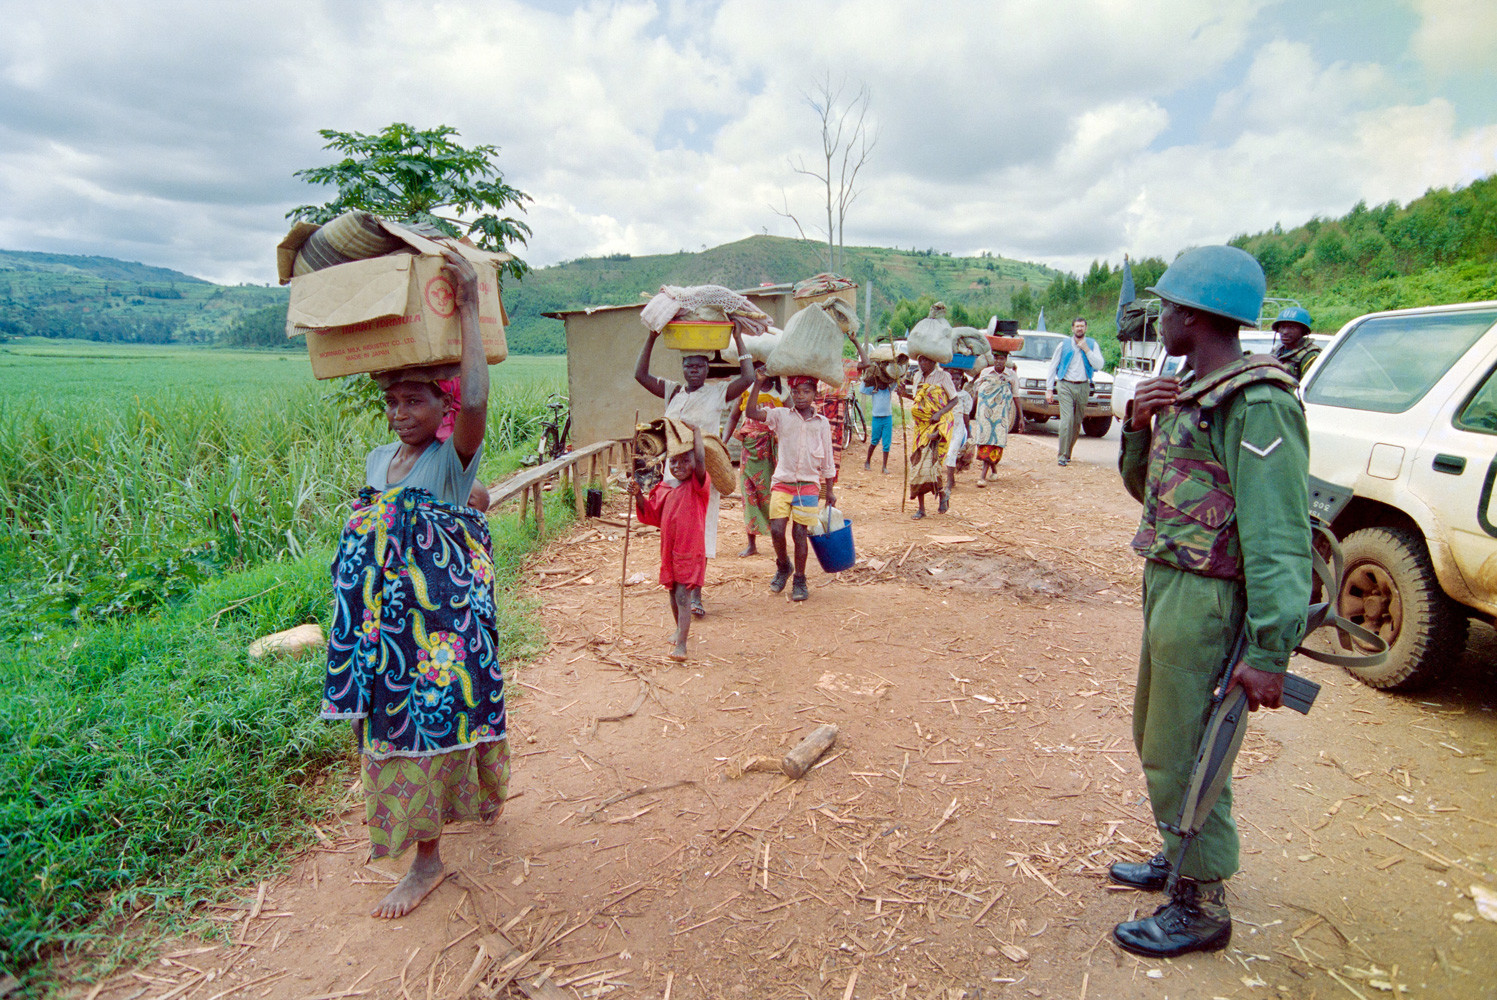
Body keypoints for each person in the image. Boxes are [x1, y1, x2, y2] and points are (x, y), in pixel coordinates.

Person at [1112, 245, 1311, 958]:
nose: (1158, 319)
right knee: (1158, 733)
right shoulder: (1191, 387)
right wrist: (1138, 427)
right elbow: (1157, 498)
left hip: (1210, 599)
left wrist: (1268, 650)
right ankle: (1180, 850)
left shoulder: (1256, 400)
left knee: (1189, 745)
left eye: (1166, 308)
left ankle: (1200, 905)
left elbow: (1278, 534)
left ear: (1194, 316)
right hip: (1171, 581)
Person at [322, 250, 507, 920]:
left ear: (444, 407)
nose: (400, 412)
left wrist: (462, 307)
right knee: (387, 727)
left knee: (424, 727)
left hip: (434, 632)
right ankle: (438, 829)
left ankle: (426, 862)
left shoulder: (451, 457)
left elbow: (479, 398)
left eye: (415, 399)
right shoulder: (380, 459)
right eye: (391, 401)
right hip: (379, 628)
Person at [634, 326, 755, 616]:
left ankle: (696, 594)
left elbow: (749, 377)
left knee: (700, 534)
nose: (695, 371)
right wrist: (651, 337)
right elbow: (640, 375)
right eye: (689, 366)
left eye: (700, 367)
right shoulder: (673, 391)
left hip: (701, 477)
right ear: (683, 368)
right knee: (673, 532)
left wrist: (738, 337)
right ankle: (677, 587)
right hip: (673, 475)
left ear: (706, 369)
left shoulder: (717, 394)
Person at [744, 374, 836, 602]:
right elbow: (751, 413)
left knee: (799, 534)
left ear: (815, 395)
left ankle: (800, 579)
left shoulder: (821, 423)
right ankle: (784, 564)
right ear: (790, 394)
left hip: (808, 485)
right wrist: (758, 381)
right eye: (796, 392)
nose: (801, 396)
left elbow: (828, 459)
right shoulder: (781, 416)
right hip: (782, 483)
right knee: (776, 529)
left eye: (806, 392)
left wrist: (830, 490)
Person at [630, 423, 708, 660]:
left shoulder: (698, 485)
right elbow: (652, 514)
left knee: (683, 594)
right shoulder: (664, 487)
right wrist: (639, 495)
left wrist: (696, 435)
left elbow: (702, 463)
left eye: (686, 461)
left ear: (694, 463)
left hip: (690, 548)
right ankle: (678, 629)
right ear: (667, 464)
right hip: (669, 549)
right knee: (673, 591)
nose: (679, 466)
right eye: (674, 461)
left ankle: (682, 644)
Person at [724, 363, 783, 557]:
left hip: (771, 453)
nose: (761, 373)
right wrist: (722, 443)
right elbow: (733, 417)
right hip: (748, 453)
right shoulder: (746, 392)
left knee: (770, 497)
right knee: (748, 495)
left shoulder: (781, 393)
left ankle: (777, 540)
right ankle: (752, 543)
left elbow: (793, 419)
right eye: (758, 370)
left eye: (765, 369)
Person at [897, 354, 959, 519]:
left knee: (932, 464)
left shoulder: (943, 376)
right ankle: (922, 508)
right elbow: (919, 400)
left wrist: (939, 413)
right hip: (921, 427)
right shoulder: (917, 376)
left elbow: (954, 400)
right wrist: (904, 394)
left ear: (933, 361)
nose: (922, 363)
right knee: (918, 465)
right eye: (920, 360)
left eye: (926, 360)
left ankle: (941, 493)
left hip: (938, 425)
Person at [1045, 317, 1104, 466]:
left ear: (1086, 328)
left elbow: (1099, 364)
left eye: (1082, 326)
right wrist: (1049, 389)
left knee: (1077, 422)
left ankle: (1068, 452)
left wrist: (1087, 350)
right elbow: (1053, 366)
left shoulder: (1091, 344)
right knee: (1067, 420)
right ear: (1072, 329)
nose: (1079, 329)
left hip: (1083, 386)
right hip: (1065, 385)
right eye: (1077, 326)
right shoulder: (1063, 345)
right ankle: (1062, 456)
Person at [970, 353, 1025, 486]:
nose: (998, 361)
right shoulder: (985, 372)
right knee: (985, 439)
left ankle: (982, 476)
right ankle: (992, 470)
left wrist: (1021, 417)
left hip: (1001, 413)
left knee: (995, 440)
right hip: (985, 412)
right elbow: (977, 392)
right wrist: (970, 410)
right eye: (996, 358)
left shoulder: (1011, 375)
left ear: (1006, 360)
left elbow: (1016, 396)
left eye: (1001, 358)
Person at [943, 368, 973, 495]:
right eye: (952, 379)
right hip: (946, 426)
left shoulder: (965, 396)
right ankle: (952, 479)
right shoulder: (944, 394)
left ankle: (949, 482)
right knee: (946, 453)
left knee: (951, 453)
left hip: (959, 427)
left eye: (957, 379)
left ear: (962, 380)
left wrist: (968, 432)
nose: (955, 382)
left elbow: (966, 415)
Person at [859, 368, 895, 473]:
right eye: (880, 381)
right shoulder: (874, 389)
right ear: (876, 381)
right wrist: (865, 377)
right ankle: (867, 461)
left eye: (884, 382)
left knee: (886, 443)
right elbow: (862, 389)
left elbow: (897, 381)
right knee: (874, 441)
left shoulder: (889, 388)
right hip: (877, 419)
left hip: (887, 418)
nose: (882, 384)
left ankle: (884, 466)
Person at [1270, 306, 1320, 380]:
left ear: (1303, 331)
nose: (1285, 332)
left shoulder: (1311, 355)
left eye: (1292, 327)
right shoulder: (1277, 350)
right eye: (1282, 327)